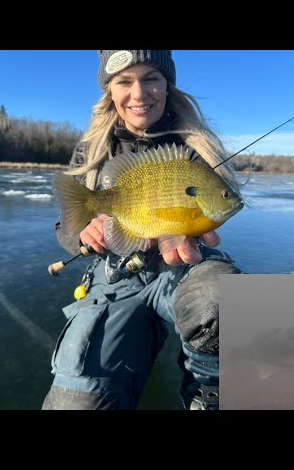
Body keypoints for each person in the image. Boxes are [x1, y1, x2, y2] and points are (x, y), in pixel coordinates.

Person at [42, 50, 243, 410]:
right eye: (124, 81)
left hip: (184, 268)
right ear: (109, 91)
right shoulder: (91, 151)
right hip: (115, 272)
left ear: (168, 85)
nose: (139, 93)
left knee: (223, 299)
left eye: (151, 77)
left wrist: (193, 232)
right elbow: (66, 224)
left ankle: (209, 389)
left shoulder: (197, 149)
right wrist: (82, 233)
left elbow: (212, 214)